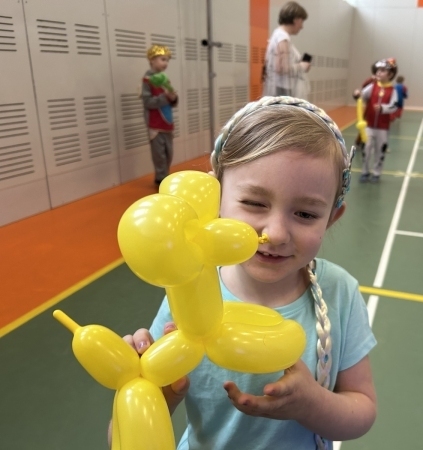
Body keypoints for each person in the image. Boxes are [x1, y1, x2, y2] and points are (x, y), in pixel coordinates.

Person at [112, 97, 377, 450]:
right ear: (215, 199)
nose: (276, 234)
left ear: (331, 218)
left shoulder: (339, 291)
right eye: (254, 203)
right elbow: (120, 437)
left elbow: (362, 409)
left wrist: (312, 404)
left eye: (305, 214)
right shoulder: (188, 289)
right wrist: (149, 389)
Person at [142, 45, 178, 187]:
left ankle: (165, 176)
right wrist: (165, 97)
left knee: (169, 153)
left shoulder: (164, 79)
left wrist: (173, 98)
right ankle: (161, 180)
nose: (166, 63)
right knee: (159, 155)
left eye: (167, 60)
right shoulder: (147, 80)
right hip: (155, 124)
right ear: (152, 60)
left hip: (167, 123)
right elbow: (147, 102)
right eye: (163, 59)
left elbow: (171, 100)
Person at [359, 58, 398, 183]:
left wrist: (383, 108)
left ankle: (376, 172)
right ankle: (365, 171)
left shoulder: (392, 90)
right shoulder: (372, 86)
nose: (379, 72)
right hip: (369, 125)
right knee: (366, 148)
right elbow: (362, 95)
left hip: (383, 127)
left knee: (380, 151)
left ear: (390, 74)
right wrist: (357, 94)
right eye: (378, 70)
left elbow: (394, 106)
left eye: (382, 70)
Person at [263, 2, 310, 97]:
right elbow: (281, 68)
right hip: (282, 90)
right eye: (301, 22)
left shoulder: (277, 35)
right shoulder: (282, 38)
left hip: (278, 88)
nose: (302, 27)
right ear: (296, 20)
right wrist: (302, 66)